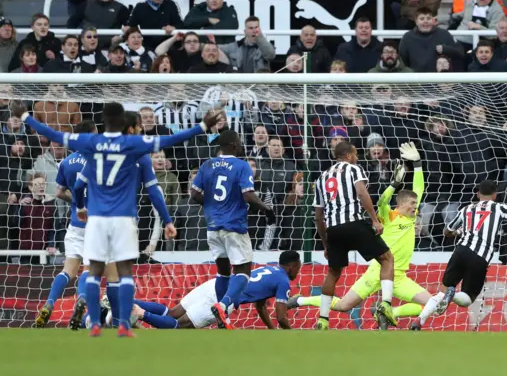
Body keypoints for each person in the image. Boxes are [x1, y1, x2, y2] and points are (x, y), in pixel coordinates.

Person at [12, 100, 224, 337]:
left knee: (92, 271)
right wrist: (203, 126)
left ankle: (93, 324)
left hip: (97, 218)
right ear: (124, 122)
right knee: (123, 272)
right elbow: (169, 140)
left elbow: (53, 134)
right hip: (123, 218)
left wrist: (25, 117)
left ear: (103, 120)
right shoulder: (133, 145)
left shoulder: (91, 143)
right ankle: (122, 324)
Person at [291, 143, 432, 329]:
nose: (415, 206)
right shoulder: (389, 215)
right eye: (412, 203)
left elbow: (419, 188)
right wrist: (393, 186)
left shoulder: (411, 219)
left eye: (416, 203)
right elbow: (381, 200)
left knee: (432, 303)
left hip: (399, 276)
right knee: (343, 305)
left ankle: (387, 311)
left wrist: (418, 164)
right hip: (375, 272)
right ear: (402, 203)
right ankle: (301, 300)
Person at [411, 180, 507, 330]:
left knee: (441, 293)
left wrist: (457, 231)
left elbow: (447, 231)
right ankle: (454, 295)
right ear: (495, 195)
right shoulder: (498, 208)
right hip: (479, 256)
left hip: (460, 251)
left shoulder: (466, 209)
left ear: (478, 194)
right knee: (467, 299)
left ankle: (420, 320)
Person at [190, 130, 276, 330]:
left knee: (222, 271)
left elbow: (194, 194)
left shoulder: (207, 165)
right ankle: (222, 306)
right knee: (243, 270)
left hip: (212, 226)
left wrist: (212, 206)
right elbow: (248, 196)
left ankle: (224, 318)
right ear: (235, 145)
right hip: (234, 225)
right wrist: (267, 209)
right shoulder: (241, 165)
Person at [312, 141, 396, 330]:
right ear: (349, 156)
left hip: (333, 228)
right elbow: (361, 193)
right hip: (354, 222)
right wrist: (374, 220)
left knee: (333, 272)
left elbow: (318, 217)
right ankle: (386, 304)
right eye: (356, 154)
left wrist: (326, 245)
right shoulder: (353, 169)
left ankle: (323, 319)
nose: (357, 157)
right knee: (387, 258)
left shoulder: (321, 178)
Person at [133, 250, 301, 329]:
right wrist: (290, 336)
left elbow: (260, 306)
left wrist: (272, 331)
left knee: (171, 314)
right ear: (292, 267)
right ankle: (139, 313)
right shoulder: (284, 281)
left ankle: (126, 301)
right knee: (178, 327)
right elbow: (281, 316)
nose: (299, 271)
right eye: (298, 267)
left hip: (216, 284)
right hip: (222, 299)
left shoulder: (270, 269)